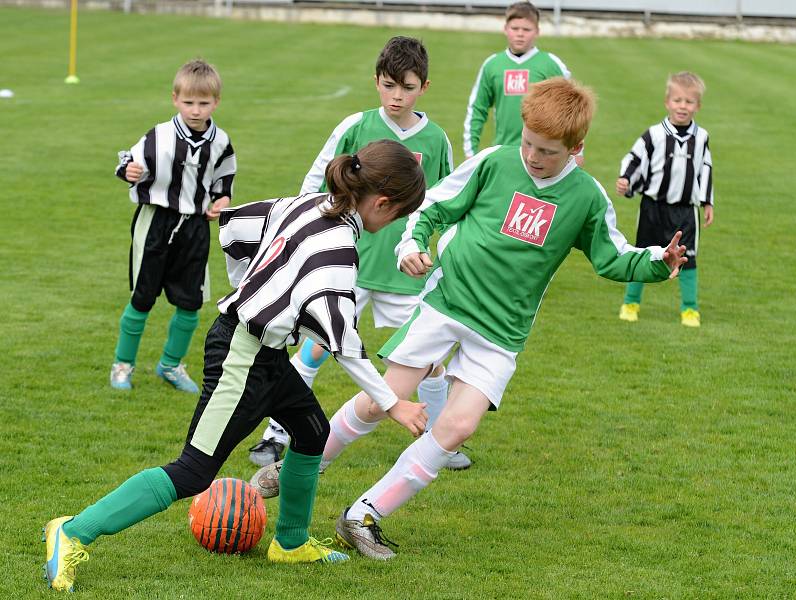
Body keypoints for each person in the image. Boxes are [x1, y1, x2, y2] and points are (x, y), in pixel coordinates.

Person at [259, 78, 687, 560]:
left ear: (576, 148)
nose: (532, 156)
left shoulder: (586, 198)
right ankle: (301, 464)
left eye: (547, 151)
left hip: (502, 330)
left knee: (459, 426)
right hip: (448, 303)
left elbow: (613, 256)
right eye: (527, 143)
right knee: (384, 399)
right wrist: (413, 245)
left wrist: (657, 260)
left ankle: (362, 515)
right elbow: (433, 207)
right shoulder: (493, 162)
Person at [42, 140, 429, 592]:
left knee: (310, 432)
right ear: (382, 202)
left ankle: (290, 543)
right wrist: (393, 403)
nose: (395, 224)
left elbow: (233, 228)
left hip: (264, 351)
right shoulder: (338, 251)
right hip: (240, 357)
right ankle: (71, 532)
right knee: (192, 471)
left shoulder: (307, 204)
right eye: (399, 214)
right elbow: (343, 343)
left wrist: (248, 289)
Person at [249, 36, 471, 471]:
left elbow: (445, 204)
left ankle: (440, 439)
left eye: (407, 87)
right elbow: (314, 185)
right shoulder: (355, 127)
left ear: (424, 88)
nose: (397, 96)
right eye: (389, 86)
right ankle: (276, 434)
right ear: (377, 83)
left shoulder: (437, 140)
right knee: (314, 348)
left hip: (405, 274)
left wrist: (437, 251)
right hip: (345, 271)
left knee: (427, 361)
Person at [109, 59, 236, 393]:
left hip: (194, 228)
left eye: (203, 103)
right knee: (142, 298)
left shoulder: (220, 142)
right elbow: (129, 162)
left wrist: (221, 201)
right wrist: (130, 171)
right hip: (156, 223)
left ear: (216, 102)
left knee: (190, 302)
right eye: (189, 102)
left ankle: (171, 365)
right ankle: (122, 365)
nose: (195, 110)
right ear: (175, 99)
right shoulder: (159, 136)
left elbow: (224, 181)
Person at [617, 71, 714, 327]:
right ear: (667, 102)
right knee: (643, 256)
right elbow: (634, 158)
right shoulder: (654, 134)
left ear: (698, 106)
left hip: (685, 212)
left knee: (688, 260)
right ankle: (631, 303)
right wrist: (626, 179)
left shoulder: (701, 137)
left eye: (689, 101)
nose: (683, 106)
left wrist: (707, 202)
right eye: (678, 100)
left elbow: (706, 168)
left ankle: (690, 309)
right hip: (653, 208)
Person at [463, 2, 575, 162]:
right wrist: (470, 151)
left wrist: (577, 152)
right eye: (515, 28)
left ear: (537, 31)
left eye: (527, 29)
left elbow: (572, 109)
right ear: (505, 29)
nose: (520, 34)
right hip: (503, 152)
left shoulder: (551, 64)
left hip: (542, 155)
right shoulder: (493, 65)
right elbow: (477, 109)